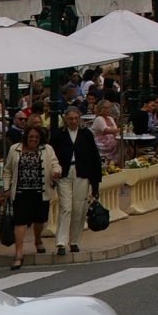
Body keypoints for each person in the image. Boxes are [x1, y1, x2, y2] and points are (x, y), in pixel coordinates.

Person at [1, 125, 61, 270]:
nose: (33, 140)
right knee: (19, 222)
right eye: (31, 137)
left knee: (40, 220)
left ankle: (38, 239)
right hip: (20, 191)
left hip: (40, 190)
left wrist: (56, 172)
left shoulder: (47, 150)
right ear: (26, 137)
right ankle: (18, 254)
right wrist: (7, 187)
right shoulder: (15, 149)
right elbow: (7, 169)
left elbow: (55, 164)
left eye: (36, 137)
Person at [50, 107, 103, 255]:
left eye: (76, 118)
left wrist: (95, 184)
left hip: (82, 173)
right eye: (70, 119)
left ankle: (74, 241)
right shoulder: (59, 135)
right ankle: (61, 242)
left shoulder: (86, 134)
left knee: (79, 208)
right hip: (64, 174)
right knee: (66, 207)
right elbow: (51, 155)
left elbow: (94, 158)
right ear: (65, 120)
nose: (73, 121)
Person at [91, 100, 123, 165]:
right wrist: (121, 129)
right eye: (107, 108)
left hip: (112, 139)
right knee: (122, 143)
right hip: (102, 142)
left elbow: (115, 131)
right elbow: (106, 131)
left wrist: (119, 136)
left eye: (110, 108)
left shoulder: (110, 118)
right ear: (101, 109)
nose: (109, 110)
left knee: (123, 141)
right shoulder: (99, 119)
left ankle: (122, 161)